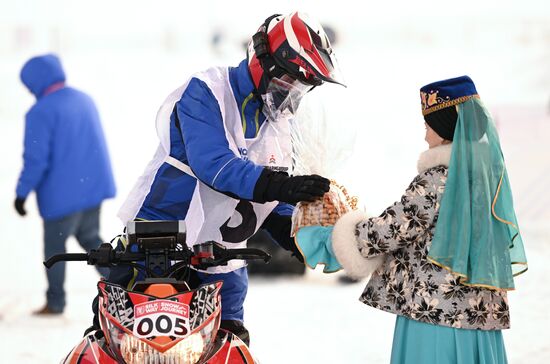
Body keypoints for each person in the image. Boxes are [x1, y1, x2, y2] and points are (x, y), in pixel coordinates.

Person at [98, 12, 344, 344]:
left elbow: (270, 199)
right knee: (130, 344)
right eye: (288, 82)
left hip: (222, 258)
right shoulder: (208, 91)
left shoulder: (282, 121)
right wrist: (282, 187)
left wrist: (297, 236)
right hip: (158, 243)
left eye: (301, 88)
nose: (291, 96)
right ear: (263, 62)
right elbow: (213, 164)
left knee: (227, 344)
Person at [296, 76, 528, 363]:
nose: (424, 134)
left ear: (443, 129)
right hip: (477, 314)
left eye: (427, 125)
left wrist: (335, 234)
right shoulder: (484, 178)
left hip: (435, 314)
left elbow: (392, 229)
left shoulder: (438, 179)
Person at [15, 54, 116, 315]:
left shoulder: (40, 112)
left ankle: (55, 302)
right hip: (91, 191)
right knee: (91, 240)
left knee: (55, 251)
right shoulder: (83, 100)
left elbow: (35, 160)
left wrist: (21, 194)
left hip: (62, 198)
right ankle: (123, 285)